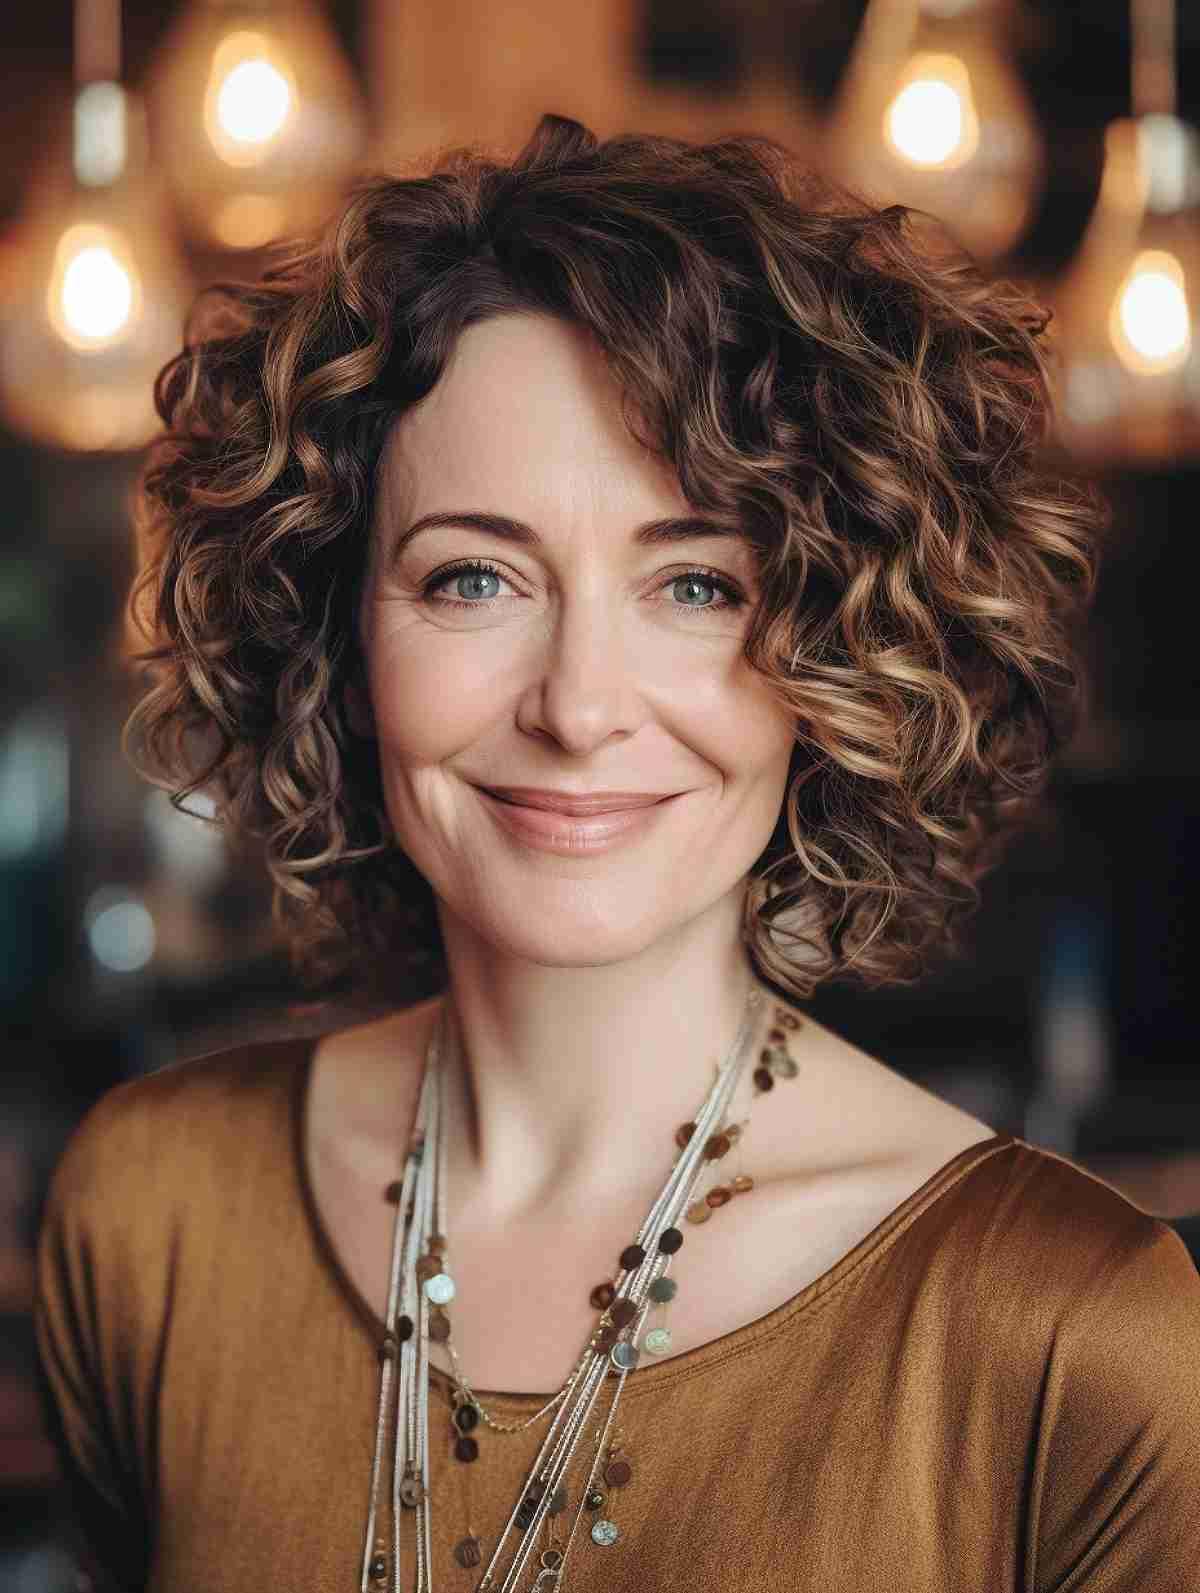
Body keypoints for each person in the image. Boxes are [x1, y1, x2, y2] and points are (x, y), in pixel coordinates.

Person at [34, 113, 1200, 1593]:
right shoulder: (152, 1218)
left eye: (698, 583)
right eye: (473, 576)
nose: (580, 705)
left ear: (845, 645)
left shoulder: (1072, 1339)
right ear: (340, 632)